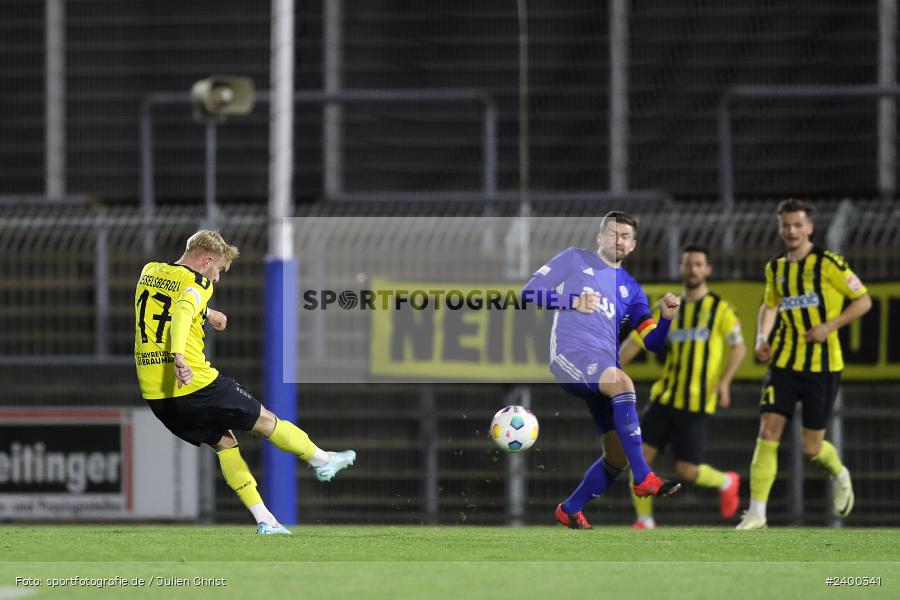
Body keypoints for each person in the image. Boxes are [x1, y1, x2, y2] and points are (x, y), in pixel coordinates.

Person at [134, 230, 356, 535]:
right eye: (218, 269)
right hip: (195, 382)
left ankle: (266, 520)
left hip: (157, 395)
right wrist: (179, 356)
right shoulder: (198, 283)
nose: (217, 278)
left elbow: (168, 305)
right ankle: (321, 460)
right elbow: (182, 313)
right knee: (266, 420)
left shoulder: (150, 272)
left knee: (225, 442)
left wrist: (209, 313)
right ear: (208, 260)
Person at [522, 210, 682, 530]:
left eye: (625, 236)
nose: (618, 240)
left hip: (603, 367)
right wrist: (572, 301)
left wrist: (664, 319)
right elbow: (529, 292)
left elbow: (651, 341)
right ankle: (644, 477)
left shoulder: (632, 289)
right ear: (600, 237)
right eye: (612, 234)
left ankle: (570, 509)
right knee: (623, 382)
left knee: (616, 457)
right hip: (571, 356)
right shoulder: (574, 259)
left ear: (633, 245)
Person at [736, 200, 871, 530]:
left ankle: (840, 474)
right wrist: (761, 339)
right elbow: (770, 305)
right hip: (783, 363)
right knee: (768, 431)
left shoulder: (829, 264)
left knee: (811, 447)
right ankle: (756, 513)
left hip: (823, 367)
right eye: (786, 225)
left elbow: (863, 301)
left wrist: (828, 326)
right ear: (780, 227)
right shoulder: (776, 269)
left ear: (809, 227)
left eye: (797, 225)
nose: (791, 231)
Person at [619, 243, 746, 529]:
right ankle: (645, 520)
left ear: (707, 270)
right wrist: (611, 368)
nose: (693, 269)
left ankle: (727, 481)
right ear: (681, 268)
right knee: (638, 458)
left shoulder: (720, 309)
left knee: (687, 471)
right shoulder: (668, 308)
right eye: (688, 264)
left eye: (698, 264)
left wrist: (724, 383)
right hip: (665, 399)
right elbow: (635, 342)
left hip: (697, 402)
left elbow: (738, 348)